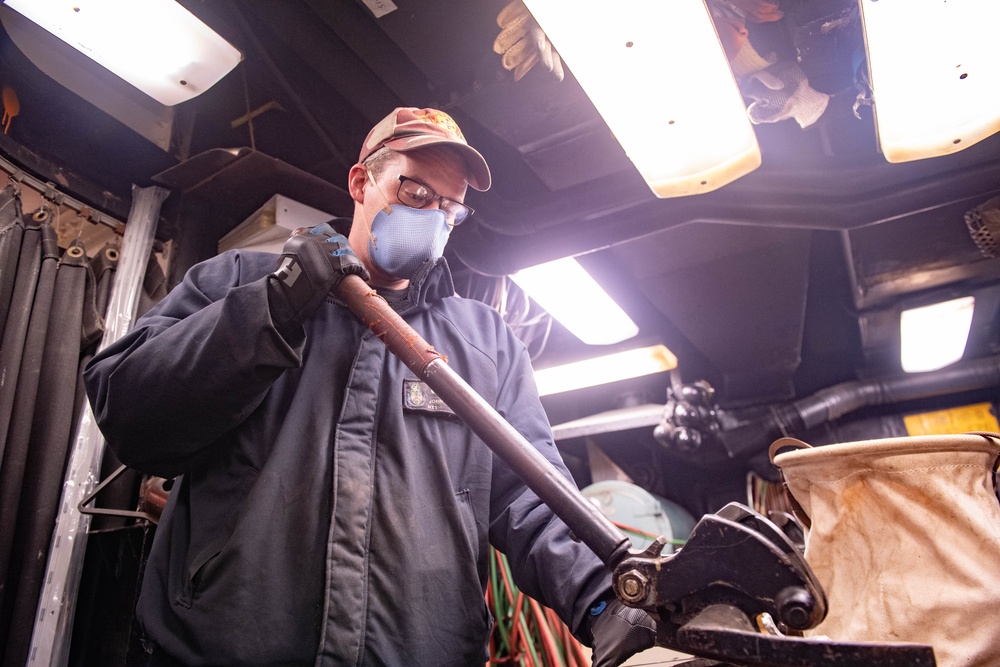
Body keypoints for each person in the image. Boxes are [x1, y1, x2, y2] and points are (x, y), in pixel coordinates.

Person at [85, 107, 655, 666]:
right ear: (361, 182)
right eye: (416, 193)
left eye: (450, 207)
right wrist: (273, 308)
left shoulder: (484, 344)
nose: (434, 216)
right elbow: (130, 411)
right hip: (220, 648)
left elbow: (530, 498)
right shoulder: (238, 281)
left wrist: (606, 597)